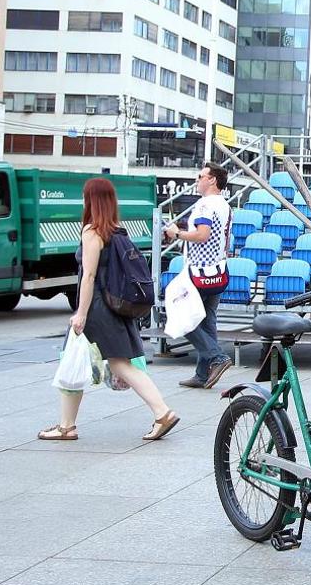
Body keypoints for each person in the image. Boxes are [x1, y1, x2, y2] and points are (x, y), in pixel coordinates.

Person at [40, 177, 178, 442]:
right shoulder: (117, 231)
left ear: (91, 200)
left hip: (97, 309)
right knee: (110, 362)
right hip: (114, 306)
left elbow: (89, 276)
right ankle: (67, 425)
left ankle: (162, 412)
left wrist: (80, 313)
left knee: (103, 362)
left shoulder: (93, 231)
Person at [164, 162, 234, 390]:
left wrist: (178, 233)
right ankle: (203, 374)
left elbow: (202, 235)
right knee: (207, 321)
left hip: (200, 271)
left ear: (212, 180)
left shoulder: (205, 205)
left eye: (201, 176)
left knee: (182, 316)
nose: (197, 180)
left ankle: (216, 357)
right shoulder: (224, 205)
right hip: (219, 271)